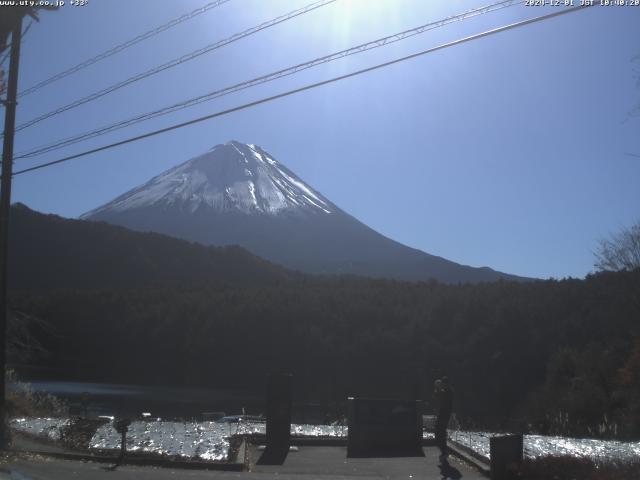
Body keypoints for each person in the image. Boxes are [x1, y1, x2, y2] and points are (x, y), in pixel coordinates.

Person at [434, 376, 453, 460]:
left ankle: (444, 451)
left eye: (442, 383)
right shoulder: (445, 391)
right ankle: (444, 451)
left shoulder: (448, 391)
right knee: (439, 431)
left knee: (440, 431)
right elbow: (438, 398)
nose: (441, 385)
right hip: (443, 414)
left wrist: (438, 389)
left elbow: (441, 398)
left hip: (444, 414)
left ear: (445, 384)